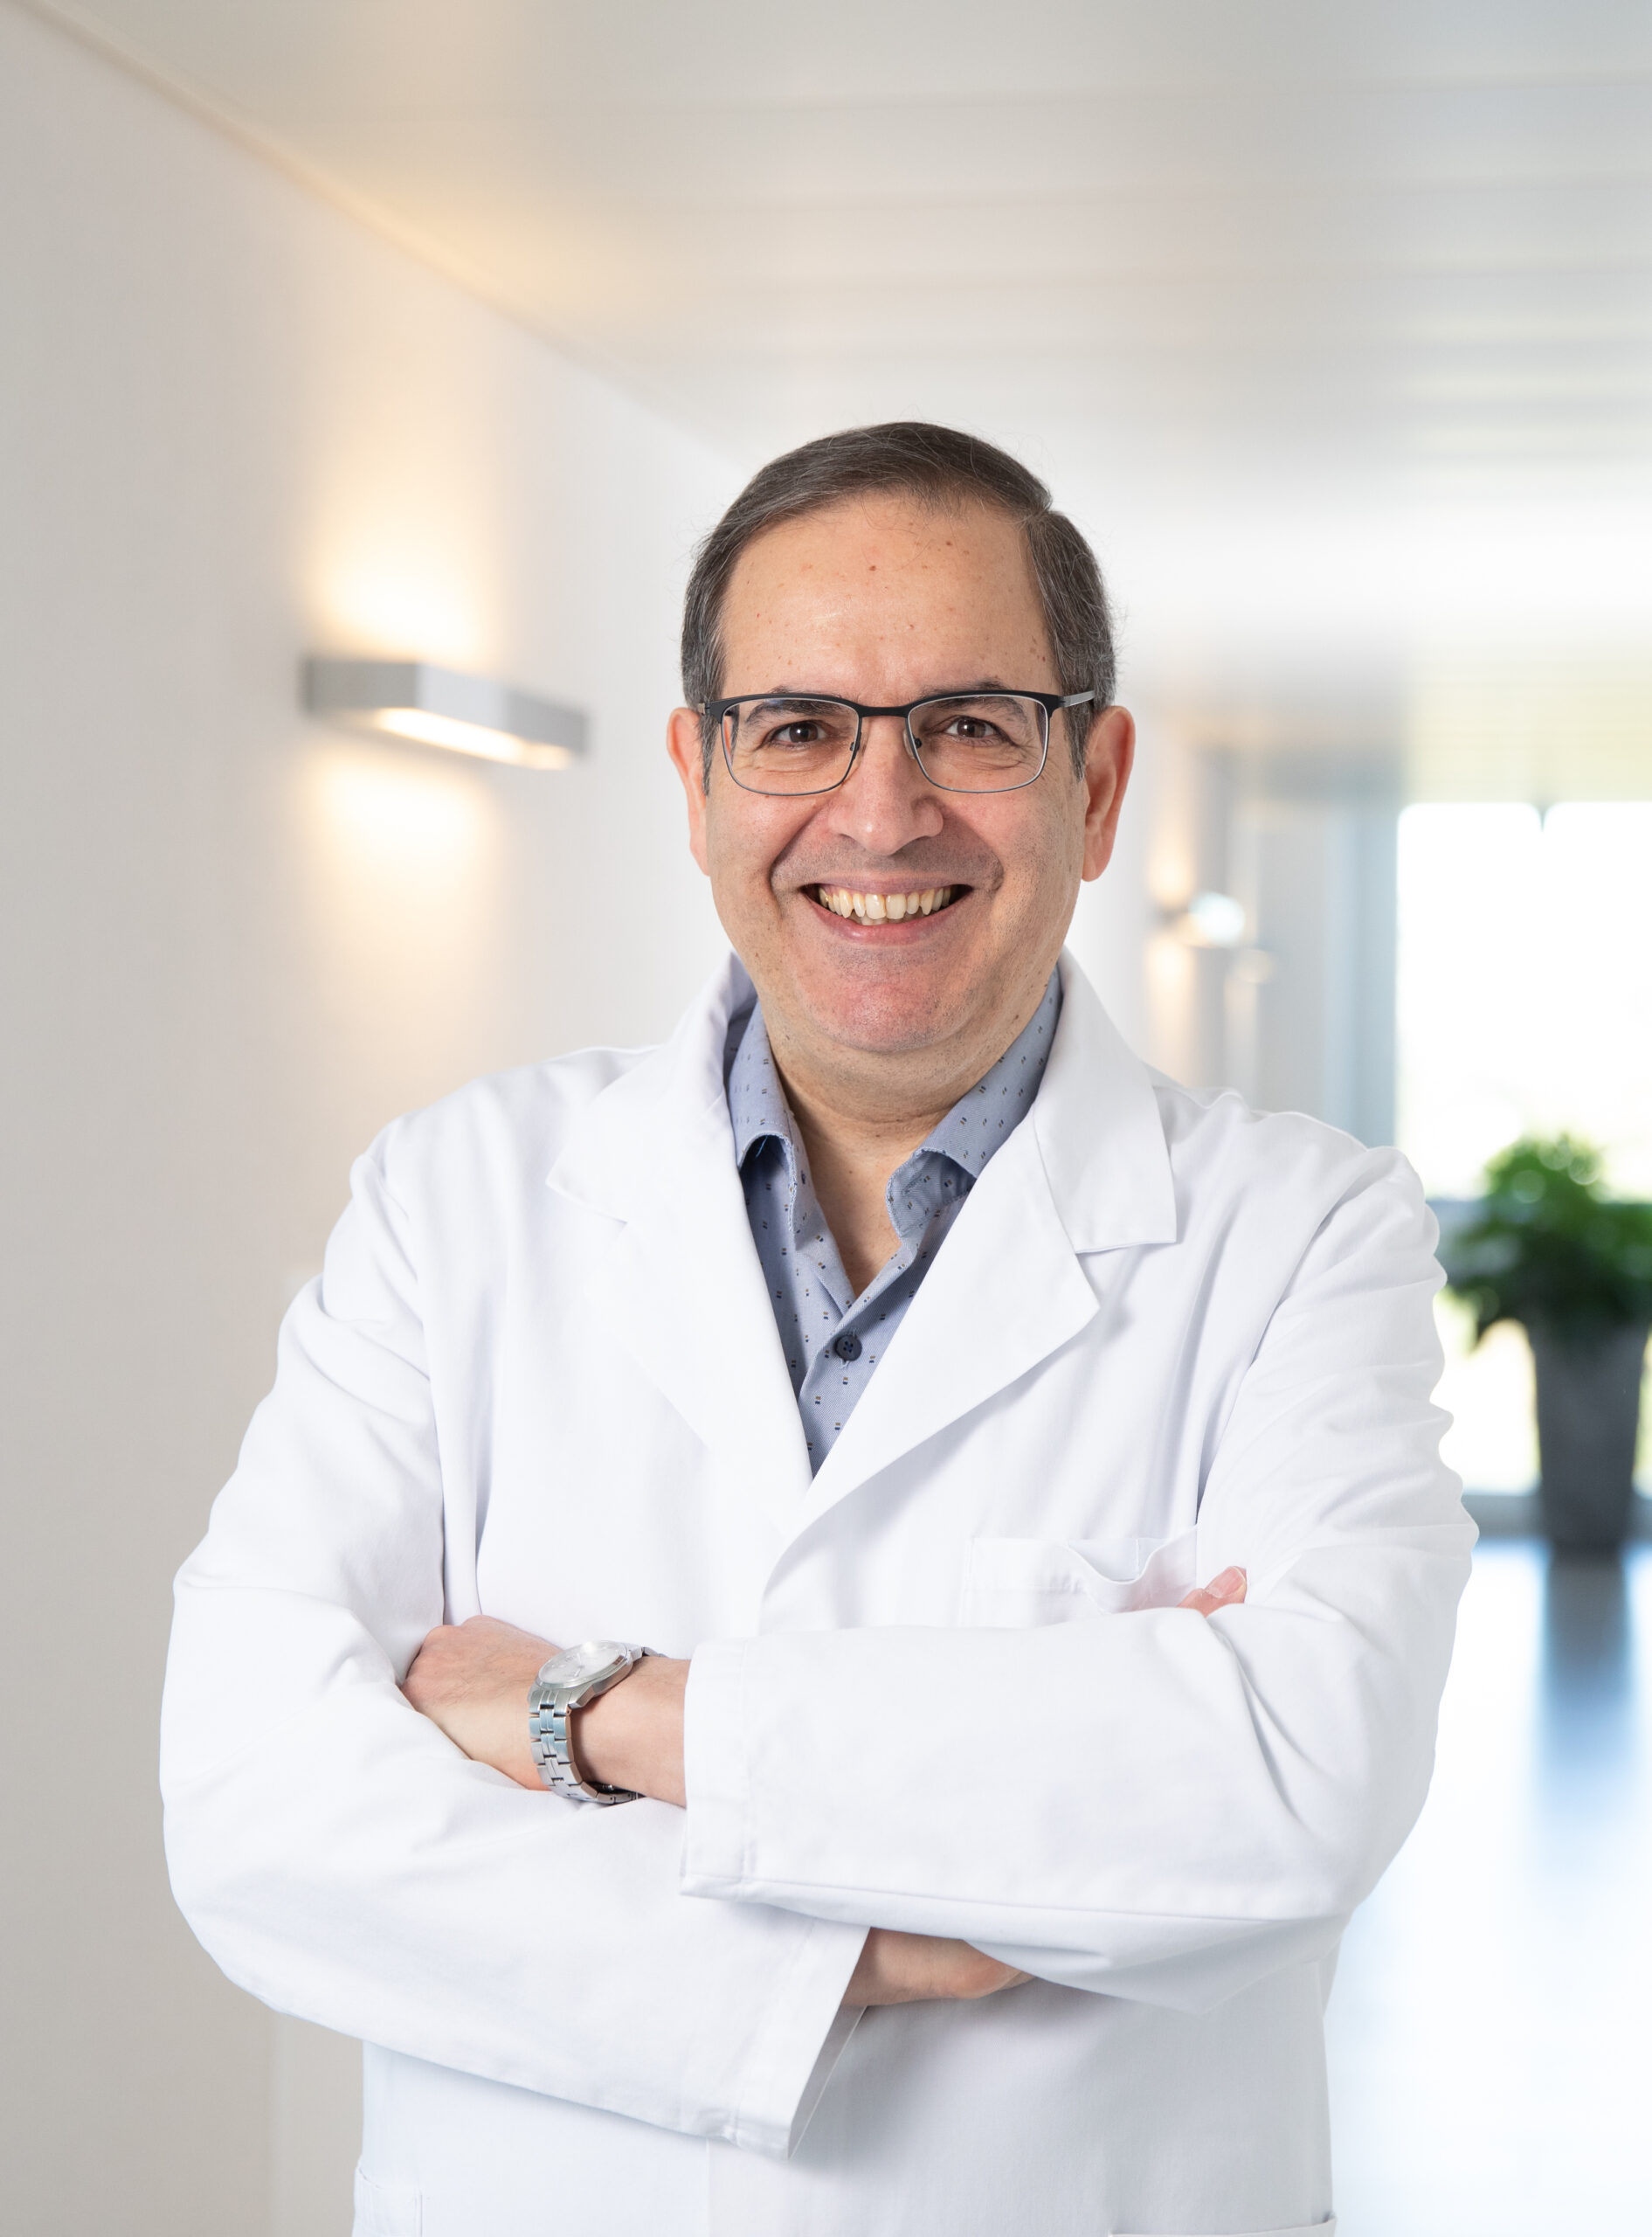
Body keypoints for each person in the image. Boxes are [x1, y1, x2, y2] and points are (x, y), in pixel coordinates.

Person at [162, 422, 1473, 2237]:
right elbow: (259, 1808)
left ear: (1095, 784)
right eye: (797, 727)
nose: (878, 812)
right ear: (697, 778)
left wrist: (602, 1715)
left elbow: (1293, 1781)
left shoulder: (1301, 1232)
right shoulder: (452, 1197)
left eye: (970, 724)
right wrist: (867, 1946)